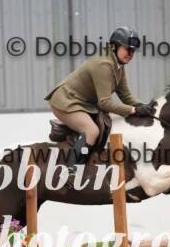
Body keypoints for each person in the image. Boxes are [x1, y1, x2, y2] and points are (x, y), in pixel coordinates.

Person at [45, 26, 156, 175]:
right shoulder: (103, 65)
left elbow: (125, 96)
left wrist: (142, 106)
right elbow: (104, 103)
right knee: (91, 131)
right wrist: (133, 110)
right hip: (66, 101)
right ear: (114, 46)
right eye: (127, 49)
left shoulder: (118, 66)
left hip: (85, 103)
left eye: (133, 50)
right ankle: (70, 170)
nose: (130, 54)